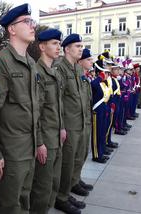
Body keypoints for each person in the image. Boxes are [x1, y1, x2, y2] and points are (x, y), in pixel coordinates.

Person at [0, 3, 39, 214]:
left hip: (29, 147)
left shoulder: (31, 63)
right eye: (26, 22)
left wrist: (38, 142)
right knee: (9, 205)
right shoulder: (0, 62)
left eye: (32, 21)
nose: (32, 26)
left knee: (24, 201)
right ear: (12, 29)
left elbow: (34, 108)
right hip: (11, 152)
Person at [29, 29, 65, 214]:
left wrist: (63, 127)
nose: (58, 47)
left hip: (56, 137)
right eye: (54, 43)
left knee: (54, 183)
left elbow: (56, 106)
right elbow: (36, 112)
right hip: (45, 140)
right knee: (42, 188)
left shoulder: (54, 72)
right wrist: (40, 142)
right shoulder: (37, 73)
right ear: (42, 47)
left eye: (59, 44)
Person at [53, 34, 86, 214]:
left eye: (82, 46)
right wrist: (61, 126)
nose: (81, 49)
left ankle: (67, 191)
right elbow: (57, 101)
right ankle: (61, 198)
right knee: (66, 164)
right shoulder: (60, 68)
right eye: (77, 46)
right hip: (68, 124)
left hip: (79, 122)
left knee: (74, 161)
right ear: (67, 49)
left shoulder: (77, 69)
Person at [72, 48, 94, 196]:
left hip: (85, 120)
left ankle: (76, 178)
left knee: (82, 154)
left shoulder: (83, 76)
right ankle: (71, 183)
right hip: (74, 123)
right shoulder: (76, 75)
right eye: (89, 60)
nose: (91, 62)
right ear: (80, 62)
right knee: (74, 156)